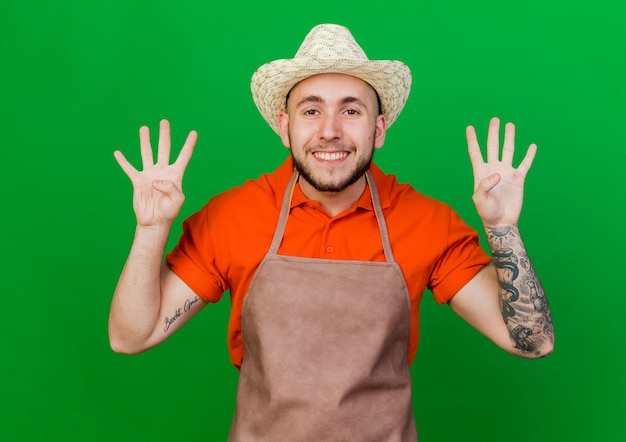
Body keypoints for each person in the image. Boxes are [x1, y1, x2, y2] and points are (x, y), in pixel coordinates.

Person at [109, 24, 554, 441]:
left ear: (378, 129)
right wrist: (151, 229)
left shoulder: (426, 221)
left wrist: (502, 228)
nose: (330, 131)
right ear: (285, 127)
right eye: (311, 110)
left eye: (351, 110)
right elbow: (131, 337)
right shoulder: (232, 216)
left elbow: (532, 343)